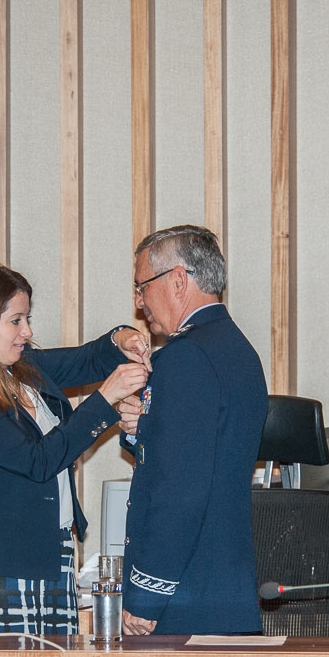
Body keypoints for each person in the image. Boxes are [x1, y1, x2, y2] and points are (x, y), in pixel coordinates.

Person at [0, 260, 149, 635]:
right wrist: (104, 400)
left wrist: (121, 338)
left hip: (54, 556)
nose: (27, 332)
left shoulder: (24, 369)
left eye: (27, 319)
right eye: (16, 321)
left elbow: (88, 358)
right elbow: (37, 461)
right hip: (0, 566)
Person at [117, 225, 268, 635]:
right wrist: (144, 428)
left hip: (184, 601)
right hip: (224, 593)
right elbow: (206, 452)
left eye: (142, 287)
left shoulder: (185, 359)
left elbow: (179, 490)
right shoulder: (237, 350)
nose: (139, 301)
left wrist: (147, 593)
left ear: (179, 280)